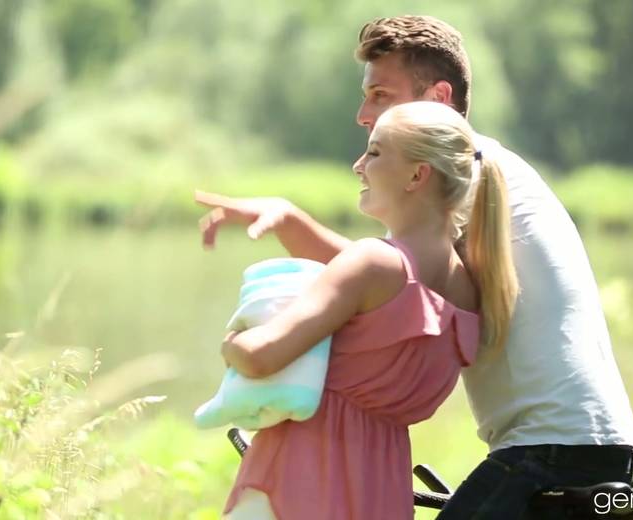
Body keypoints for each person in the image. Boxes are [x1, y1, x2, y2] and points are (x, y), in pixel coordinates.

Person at [197, 15, 633, 519]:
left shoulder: (466, 176)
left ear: (439, 99)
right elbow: (385, 279)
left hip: (550, 451)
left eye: (381, 95)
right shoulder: (481, 177)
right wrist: (291, 219)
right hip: (590, 446)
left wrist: (244, 340)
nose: (363, 115)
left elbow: (378, 277)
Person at [216, 101, 516, 519]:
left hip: (295, 487)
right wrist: (289, 219)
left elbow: (258, 357)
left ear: (417, 175)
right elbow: (383, 282)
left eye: (374, 152)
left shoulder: (373, 264)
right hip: (382, 495)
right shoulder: (468, 292)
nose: (359, 165)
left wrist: (233, 340)